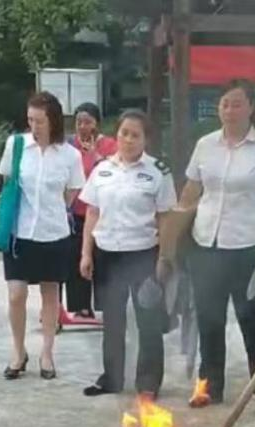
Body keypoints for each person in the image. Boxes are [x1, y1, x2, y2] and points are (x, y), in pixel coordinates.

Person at [176, 79, 255, 417]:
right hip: (206, 244)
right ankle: (209, 386)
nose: (229, 110)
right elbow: (189, 195)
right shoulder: (205, 145)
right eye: (224, 103)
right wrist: (170, 238)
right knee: (209, 319)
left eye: (237, 103)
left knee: (253, 320)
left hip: (247, 247)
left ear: (252, 107)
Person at [78, 110, 177, 398]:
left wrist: (164, 257)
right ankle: (112, 378)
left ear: (146, 139)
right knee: (112, 321)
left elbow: (165, 218)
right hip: (108, 254)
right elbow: (92, 213)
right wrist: (86, 253)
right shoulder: (102, 169)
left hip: (143, 255)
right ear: (116, 135)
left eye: (136, 135)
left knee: (148, 320)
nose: (129, 140)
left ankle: (148, 383)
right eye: (124, 133)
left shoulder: (158, 171)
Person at [0, 92, 86, 381]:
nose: (34, 126)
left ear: (54, 121)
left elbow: (71, 194)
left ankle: (47, 352)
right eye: (30, 120)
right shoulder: (17, 145)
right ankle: (18, 349)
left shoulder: (70, 155)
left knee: (51, 294)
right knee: (16, 294)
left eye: (39, 121)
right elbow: (9, 185)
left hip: (54, 232)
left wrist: (54, 209)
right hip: (20, 232)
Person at [65, 102, 118, 324]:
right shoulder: (69, 146)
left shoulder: (109, 145)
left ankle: (107, 305)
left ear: (97, 123)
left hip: (103, 211)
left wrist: (97, 155)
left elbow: (117, 169)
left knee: (102, 259)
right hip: (77, 211)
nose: (83, 126)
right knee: (76, 257)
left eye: (88, 121)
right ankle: (80, 307)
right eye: (79, 122)